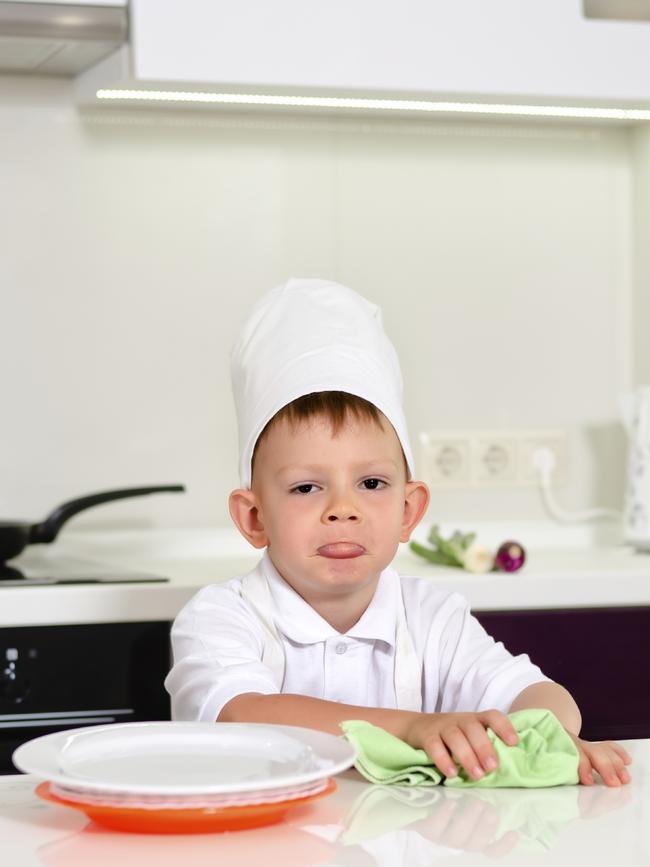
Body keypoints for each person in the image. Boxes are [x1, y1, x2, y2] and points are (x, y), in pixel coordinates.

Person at [165, 278, 631, 787]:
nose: (343, 509)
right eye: (305, 488)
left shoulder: (432, 619)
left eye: (371, 483)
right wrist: (414, 727)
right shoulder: (220, 618)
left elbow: (538, 694)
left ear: (409, 509)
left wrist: (543, 738)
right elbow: (244, 716)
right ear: (254, 518)